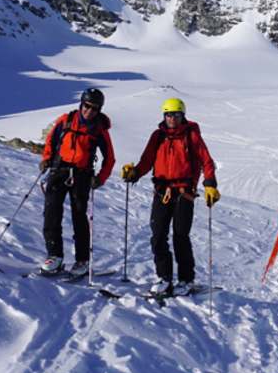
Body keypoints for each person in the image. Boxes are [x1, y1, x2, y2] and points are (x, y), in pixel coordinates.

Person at [121, 98, 220, 296]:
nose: (171, 118)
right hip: (161, 191)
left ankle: (186, 279)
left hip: (184, 192)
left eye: (175, 114)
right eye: (168, 114)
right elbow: (147, 160)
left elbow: (207, 161)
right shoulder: (158, 136)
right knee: (158, 236)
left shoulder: (191, 135)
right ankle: (164, 278)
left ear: (182, 115)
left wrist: (210, 184)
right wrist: (135, 173)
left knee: (180, 236)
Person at [38, 87, 115, 276]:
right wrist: (46, 159)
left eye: (95, 108)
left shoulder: (99, 129)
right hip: (59, 170)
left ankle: (82, 260)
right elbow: (51, 140)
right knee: (51, 211)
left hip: (82, 175)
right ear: (81, 104)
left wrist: (100, 178)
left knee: (79, 216)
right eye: (87, 105)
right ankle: (54, 256)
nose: (90, 110)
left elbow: (110, 158)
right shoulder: (66, 120)